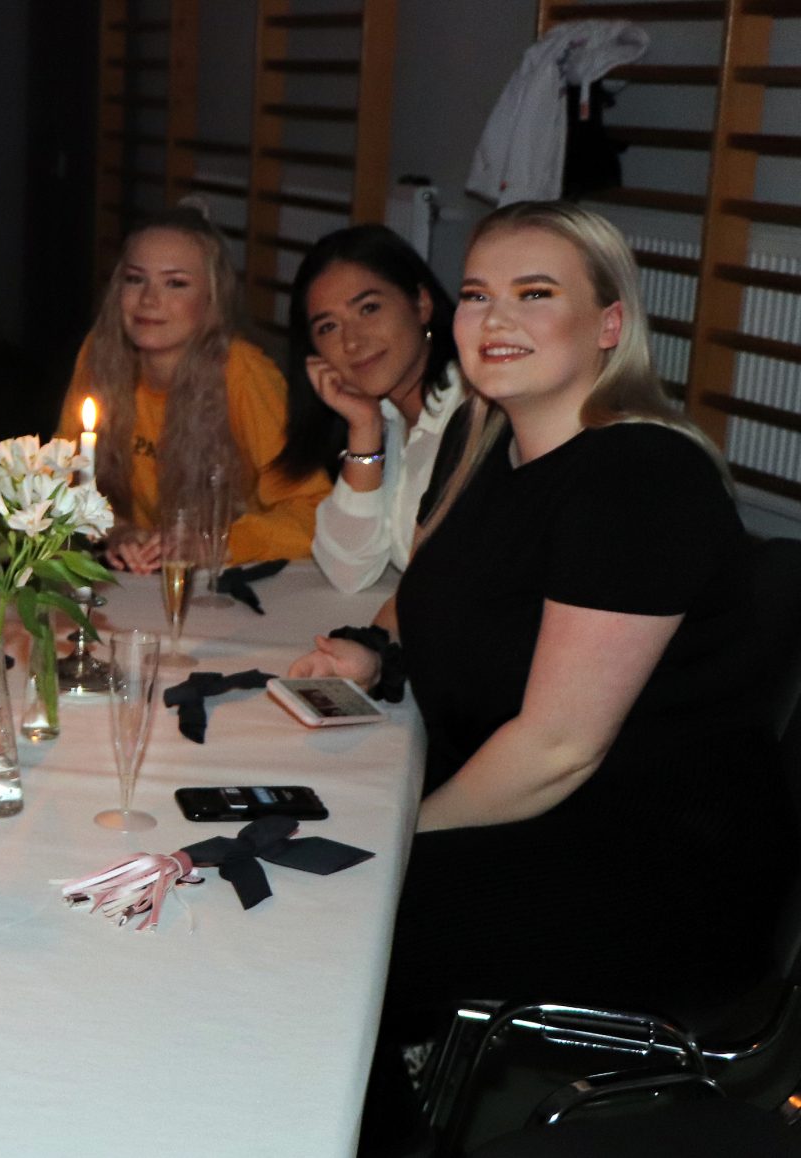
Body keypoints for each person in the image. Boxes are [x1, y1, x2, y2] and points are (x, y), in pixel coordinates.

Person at [282, 202, 795, 1153]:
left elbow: (557, 748)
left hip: (650, 874)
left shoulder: (638, 479)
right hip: (543, 819)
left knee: (328, 920)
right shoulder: (483, 447)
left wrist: (394, 835)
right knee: (289, 853)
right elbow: (453, 606)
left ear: (609, 324)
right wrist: (377, 651)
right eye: (479, 295)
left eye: (535, 294)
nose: (496, 319)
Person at [58, 206, 329, 572]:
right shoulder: (100, 354)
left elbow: (314, 512)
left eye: (175, 284)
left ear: (212, 298)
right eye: (135, 279)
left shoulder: (244, 373)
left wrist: (213, 543)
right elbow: (60, 474)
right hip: (142, 575)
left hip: (233, 575)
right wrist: (116, 530)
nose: (149, 299)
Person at [275, 224, 465, 592]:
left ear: (422, 304)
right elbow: (348, 572)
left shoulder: (475, 412)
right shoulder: (387, 419)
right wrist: (364, 429)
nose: (352, 341)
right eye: (328, 327)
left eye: (369, 308)